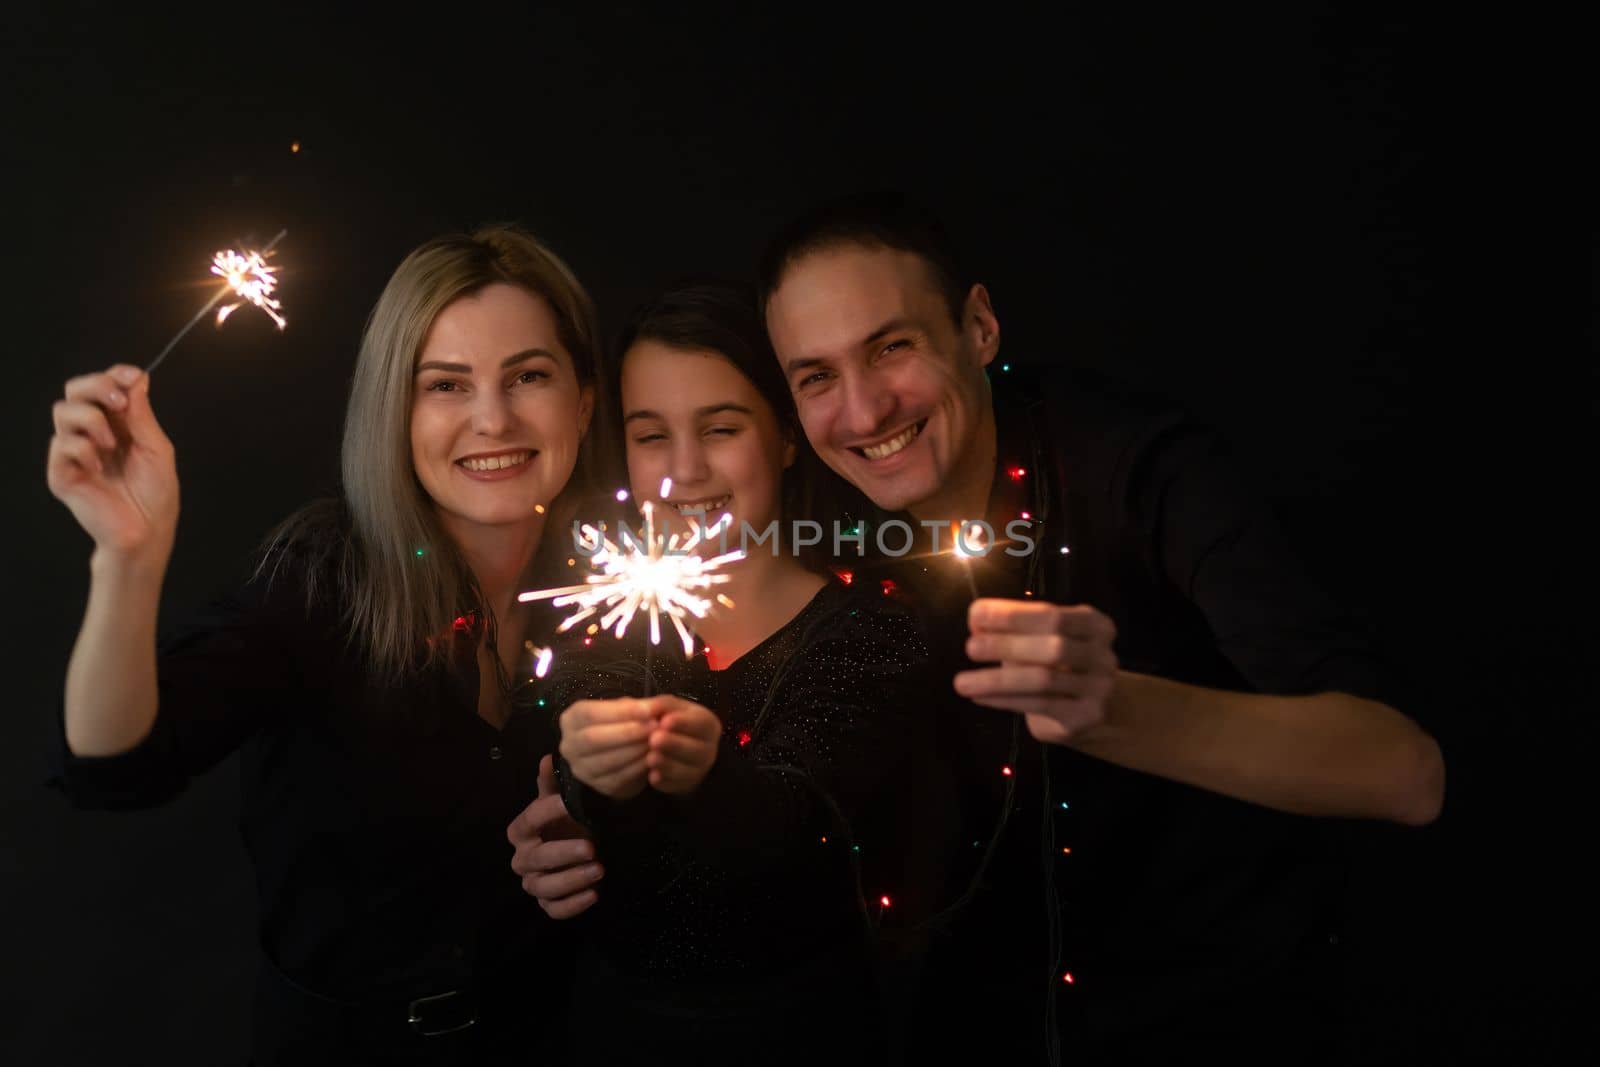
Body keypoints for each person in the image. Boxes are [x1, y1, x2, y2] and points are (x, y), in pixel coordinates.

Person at [755, 191, 1447, 1063]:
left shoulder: (1139, 472)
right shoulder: (823, 524)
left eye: (892, 346)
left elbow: (1402, 770)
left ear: (978, 328)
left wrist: (1113, 709)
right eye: (816, 376)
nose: (862, 414)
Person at [46, 225, 604, 1064]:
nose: (493, 418)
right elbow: (116, 766)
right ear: (394, 410)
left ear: (585, 400)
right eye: (445, 385)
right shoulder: (318, 582)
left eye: (528, 375)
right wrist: (128, 555)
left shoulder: (614, 591)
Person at [511, 281, 936, 1065]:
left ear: (783, 434)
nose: (685, 470)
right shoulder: (592, 625)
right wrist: (565, 823)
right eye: (650, 435)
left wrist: (701, 772)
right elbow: (581, 791)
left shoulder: (873, 628)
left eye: (721, 427)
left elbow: (798, 828)